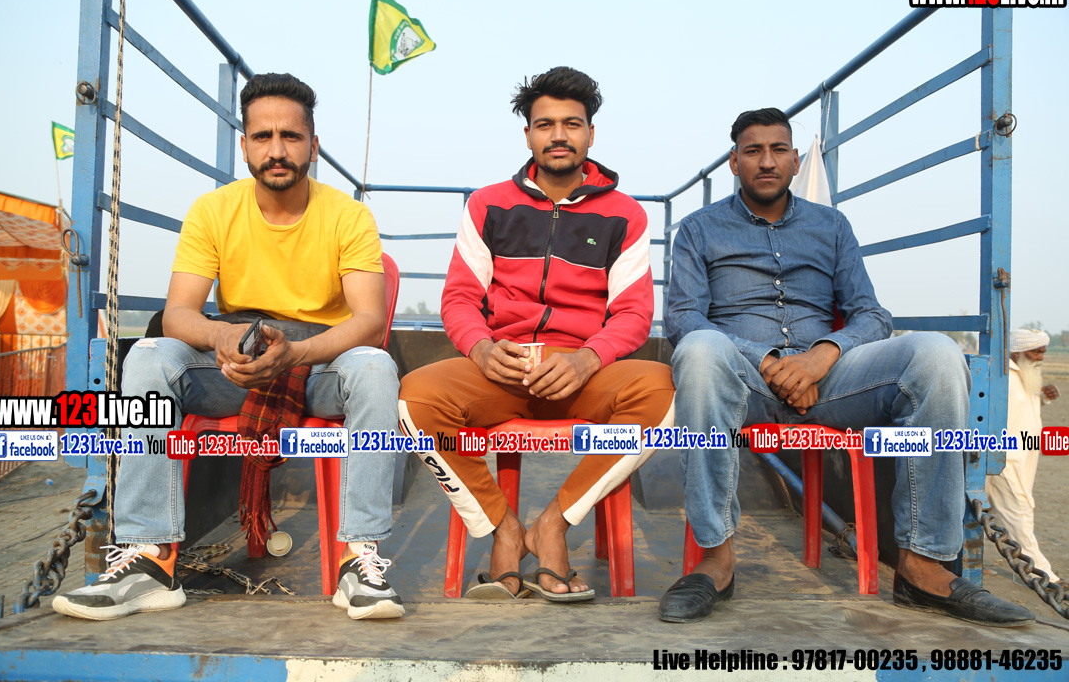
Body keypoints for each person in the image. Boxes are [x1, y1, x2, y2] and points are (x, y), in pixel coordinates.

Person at [660, 107, 1033, 627]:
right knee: (699, 349)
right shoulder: (699, 229)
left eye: (778, 150)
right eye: (753, 151)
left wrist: (823, 356)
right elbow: (683, 318)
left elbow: (871, 314)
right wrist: (767, 361)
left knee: (937, 355)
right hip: (743, 381)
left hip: (831, 379)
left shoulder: (831, 226)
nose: (766, 162)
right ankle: (716, 559)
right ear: (733, 162)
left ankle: (923, 566)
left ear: (795, 160)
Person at [53, 73, 404, 621]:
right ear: (244, 146)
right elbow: (178, 313)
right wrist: (221, 337)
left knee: (376, 367)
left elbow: (368, 321)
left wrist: (295, 354)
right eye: (263, 136)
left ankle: (359, 559)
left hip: (318, 363)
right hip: (235, 354)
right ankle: (150, 561)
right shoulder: (213, 210)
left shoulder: (348, 215)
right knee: (148, 357)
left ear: (313, 145)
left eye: (291, 136)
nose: (277, 150)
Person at [398, 66, 674, 601]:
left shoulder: (626, 215)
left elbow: (633, 314)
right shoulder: (487, 205)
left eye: (572, 124)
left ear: (591, 134)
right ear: (528, 135)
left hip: (583, 371)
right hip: (502, 368)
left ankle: (553, 525)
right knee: (415, 399)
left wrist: (587, 359)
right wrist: (481, 349)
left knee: (662, 392)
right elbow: (459, 299)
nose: (559, 135)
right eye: (545, 124)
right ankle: (503, 529)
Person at [986, 328, 1061, 583]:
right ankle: (1042, 574)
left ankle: (963, 564)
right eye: (1035, 352)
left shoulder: (1025, 374)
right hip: (1004, 459)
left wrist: (1042, 398)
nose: (1040, 357)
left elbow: (1020, 409)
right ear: (1016, 352)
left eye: (1043, 352)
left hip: (1024, 456)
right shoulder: (1001, 376)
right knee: (1019, 510)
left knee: (979, 512)